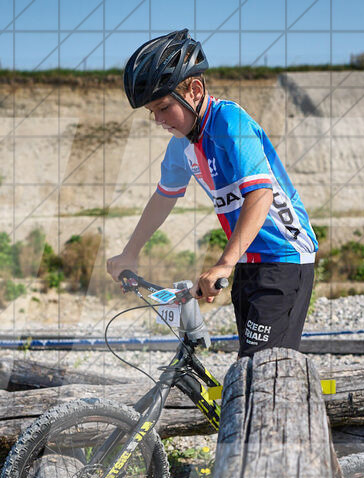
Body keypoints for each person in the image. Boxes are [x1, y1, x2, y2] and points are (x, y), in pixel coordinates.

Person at [106, 29, 317, 357]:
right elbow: (164, 197)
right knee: (250, 373)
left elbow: (260, 193)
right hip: (248, 261)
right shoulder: (183, 145)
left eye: (163, 108)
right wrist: (130, 252)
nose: (159, 120)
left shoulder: (230, 121)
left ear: (195, 90)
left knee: (264, 371)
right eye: (152, 113)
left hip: (284, 258)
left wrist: (223, 263)